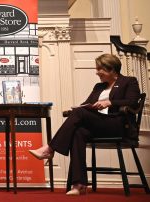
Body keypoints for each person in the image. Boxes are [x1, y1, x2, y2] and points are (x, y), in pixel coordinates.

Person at [29, 54, 140, 195]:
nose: (97, 72)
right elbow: (86, 104)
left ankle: (50, 149)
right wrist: (77, 109)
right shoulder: (99, 86)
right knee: (78, 132)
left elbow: (133, 101)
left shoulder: (129, 81)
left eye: (100, 69)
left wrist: (110, 102)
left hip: (118, 125)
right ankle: (79, 184)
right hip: (100, 125)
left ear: (112, 69)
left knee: (80, 114)